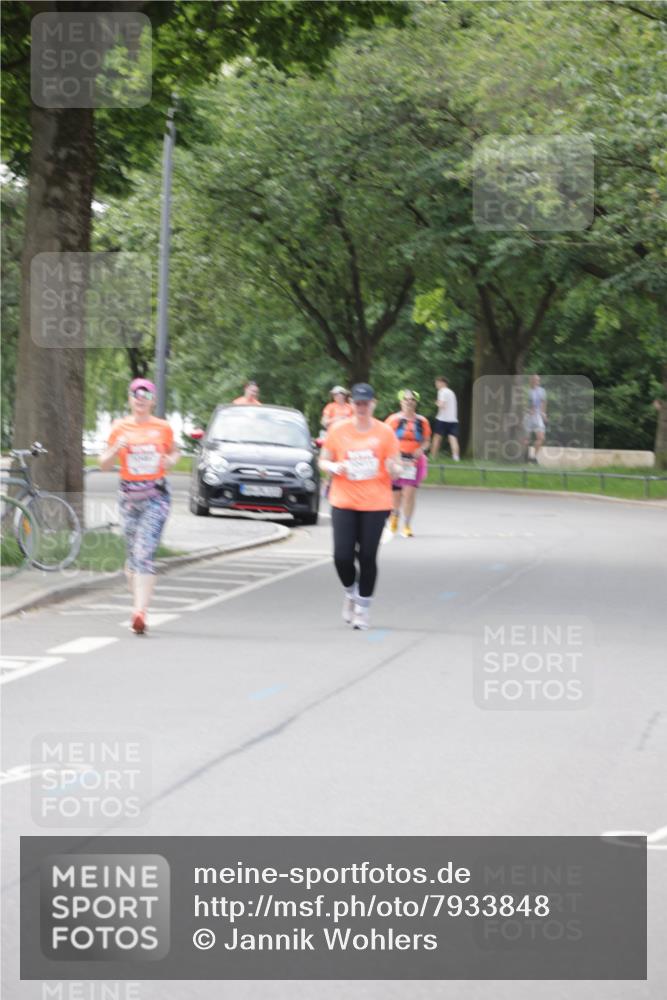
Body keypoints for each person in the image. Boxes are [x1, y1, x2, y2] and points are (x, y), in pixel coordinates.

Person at [99, 378, 180, 634]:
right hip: (128, 500)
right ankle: (137, 592)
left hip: (156, 497)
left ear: (152, 400)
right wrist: (115, 449)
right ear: (130, 399)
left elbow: (175, 452)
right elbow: (104, 464)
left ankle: (139, 612)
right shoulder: (119, 427)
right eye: (136, 394)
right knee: (134, 557)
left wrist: (170, 461)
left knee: (144, 555)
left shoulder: (163, 428)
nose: (140, 399)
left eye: (145, 395)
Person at [319, 383, 401, 630]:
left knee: (367, 556)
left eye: (366, 403)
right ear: (352, 404)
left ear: (373, 404)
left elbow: (396, 465)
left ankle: (363, 609)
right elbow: (323, 459)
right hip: (344, 499)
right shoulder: (338, 430)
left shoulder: (385, 432)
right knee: (342, 556)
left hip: (376, 502)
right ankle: (351, 592)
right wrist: (333, 467)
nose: (362, 407)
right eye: (358, 403)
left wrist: (394, 469)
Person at [385, 390, 432, 537]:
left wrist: (421, 449)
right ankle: (394, 516)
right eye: (405, 399)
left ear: (415, 403)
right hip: (396, 460)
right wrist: (393, 454)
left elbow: (427, 441)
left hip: (413, 461)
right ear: (401, 402)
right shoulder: (393, 419)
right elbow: (385, 438)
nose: (408, 402)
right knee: (395, 494)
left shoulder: (422, 421)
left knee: (409, 494)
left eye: (411, 400)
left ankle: (407, 525)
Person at [430, 376, 460, 462]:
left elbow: (441, 405)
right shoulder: (451, 392)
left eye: (437, 383)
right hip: (453, 419)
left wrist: (436, 402)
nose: (436, 385)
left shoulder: (442, 391)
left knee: (436, 438)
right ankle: (456, 457)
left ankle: (433, 456)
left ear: (442, 383)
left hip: (442, 419)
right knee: (453, 438)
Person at [522, 373, 547, 462]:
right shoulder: (526, 391)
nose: (536, 382)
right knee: (526, 439)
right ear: (530, 381)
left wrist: (543, 413)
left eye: (538, 380)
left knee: (541, 438)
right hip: (528, 416)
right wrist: (527, 410)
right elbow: (522, 404)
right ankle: (525, 457)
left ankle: (534, 457)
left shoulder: (542, 391)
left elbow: (543, 402)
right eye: (534, 380)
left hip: (538, 416)